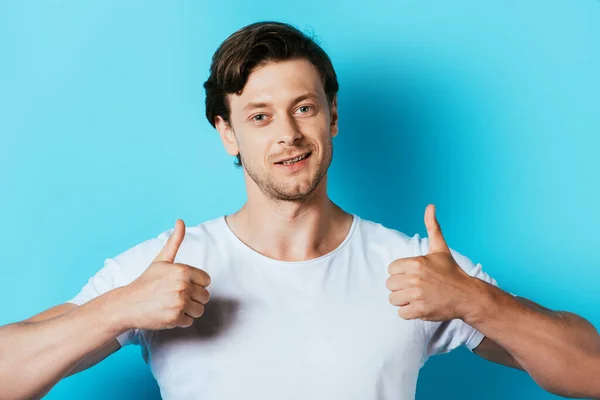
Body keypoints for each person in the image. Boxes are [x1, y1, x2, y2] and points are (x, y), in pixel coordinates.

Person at [0, 21, 598, 400]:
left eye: (304, 108)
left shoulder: (417, 269)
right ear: (227, 134)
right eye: (259, 116)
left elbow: (590, 372)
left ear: (333, 118)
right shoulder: (169, 268)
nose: (287, 134)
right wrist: (118, 308)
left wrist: (478, 301)